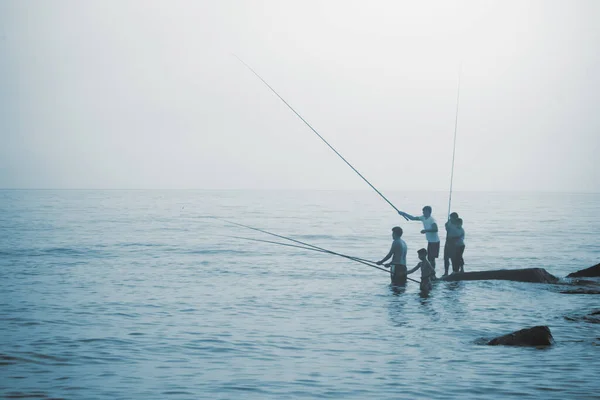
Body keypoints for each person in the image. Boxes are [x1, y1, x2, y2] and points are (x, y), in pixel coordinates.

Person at [398, 206, 440, 271]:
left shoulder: (432, 220)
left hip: (435, 241)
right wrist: (404, 213)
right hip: (430, 241)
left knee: (432, 259)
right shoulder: (423, 217)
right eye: (423, 211)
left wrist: (426, 230)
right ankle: (431, 272)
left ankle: (433, 272)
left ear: (428, 212)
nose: (423, 212)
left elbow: (435, 229)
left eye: (424, 211)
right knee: (429, 258)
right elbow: (413, 218)